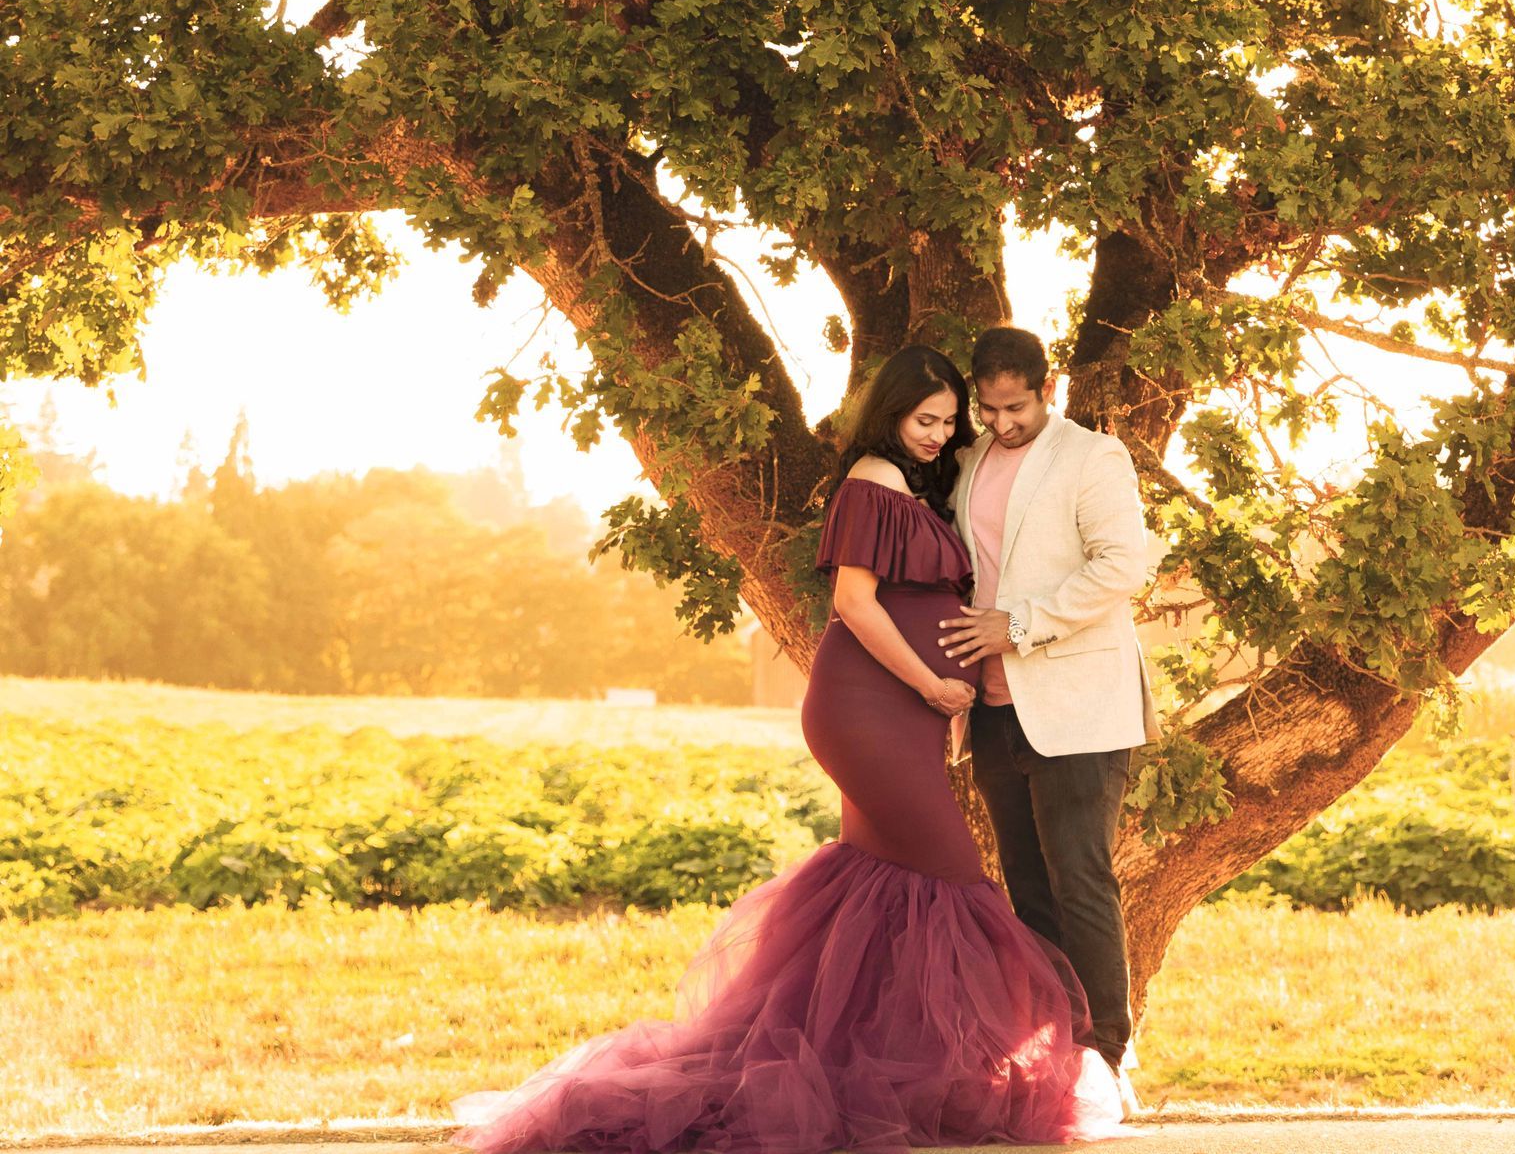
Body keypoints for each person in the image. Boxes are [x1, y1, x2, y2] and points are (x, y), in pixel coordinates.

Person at [454, 343, 1122, 1154]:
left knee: (883, 886)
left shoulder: (932, 477)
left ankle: (871, 1065)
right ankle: (992, 1063)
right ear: (892, 412)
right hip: (872, 703)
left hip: (911, 711)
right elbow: (854, 602)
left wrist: (940, 704)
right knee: (956, 882)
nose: (942, 435)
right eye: (928, 418)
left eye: (952, 421)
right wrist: (934, 686)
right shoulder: (873, 480)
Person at [939, 326, 1160, 1085]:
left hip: (1079, 704)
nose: (1002, 422)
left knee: (1081, 877)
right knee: (1028, 888)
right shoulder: (966, 463)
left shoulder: (1092, 456)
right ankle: (1057, 1055)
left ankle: (1111, 1057)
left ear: (1047, 386)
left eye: (1016, 406)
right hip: (995, 709)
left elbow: (1122, 564)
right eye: (990, 408)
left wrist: (1022, 621)